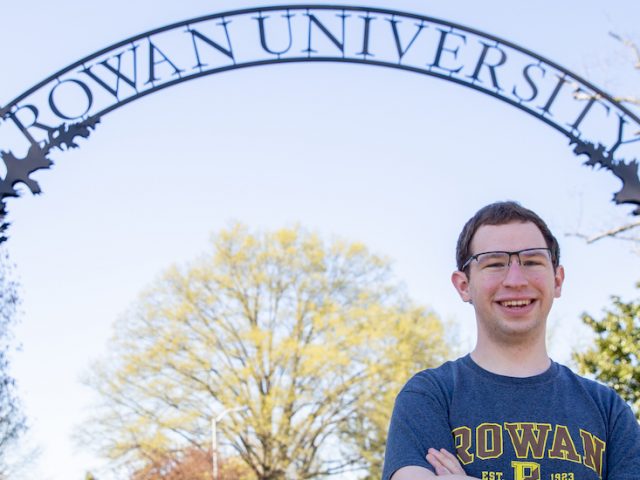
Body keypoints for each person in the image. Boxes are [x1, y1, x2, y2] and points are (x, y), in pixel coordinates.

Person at [382, 201, 640, 480]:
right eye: (494, 264)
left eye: (531, 262)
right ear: (464, 285)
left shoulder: (608, 410)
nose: (515, 280)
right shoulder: (429, 396)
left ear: (557, 280)